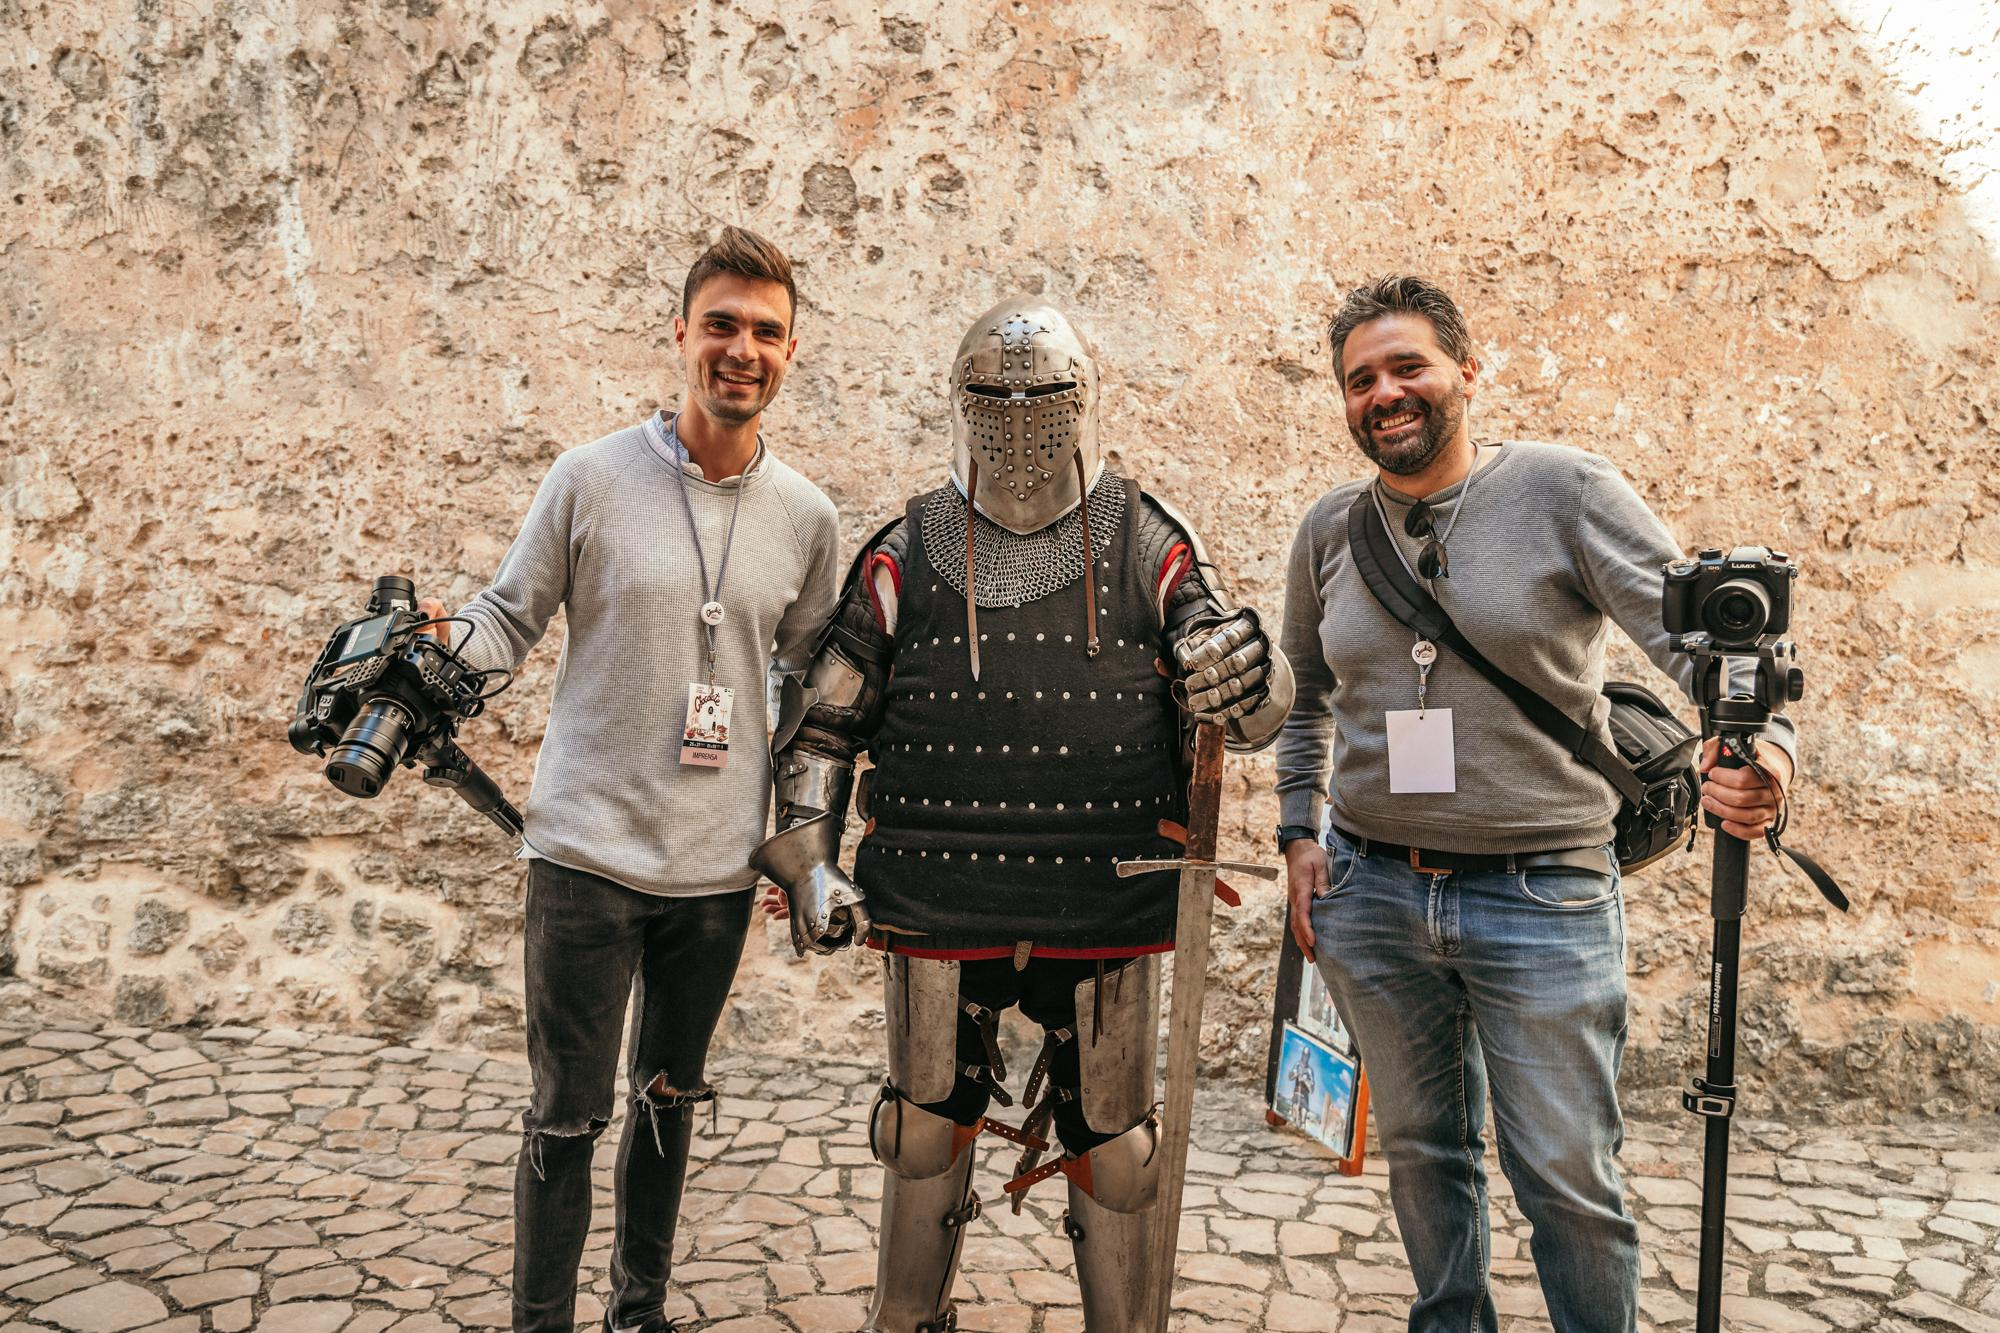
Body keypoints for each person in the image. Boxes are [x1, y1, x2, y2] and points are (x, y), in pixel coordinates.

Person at [751, 296, 1293, 1331]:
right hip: (935, 893)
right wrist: (810, 863)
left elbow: (1252, 706)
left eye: (1042, 397)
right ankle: (906, 1317)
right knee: (919, 1130)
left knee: (1117, 1148)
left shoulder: (1147, 538)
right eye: (993, 400)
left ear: (1083, 399)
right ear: (959, 402)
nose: (1017, 422)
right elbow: (823, 727)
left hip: (1105, 893)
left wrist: (1244, 670)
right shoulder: (907, 547)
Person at [1276, 276, 1794, 1333]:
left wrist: (1765, 753)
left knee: (1565, 1173)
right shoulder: (1329, 528)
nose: (1385, 393)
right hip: (1373, 890)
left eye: (1408, 366)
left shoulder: (1565, 491)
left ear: (1467, 371)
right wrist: (1295, 830)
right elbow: (1303, 692)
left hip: (1542, 894)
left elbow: (1710, 645)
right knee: (1423, 1153)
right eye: (1360, 380)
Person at [420, 227, 841, 1333]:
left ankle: (637, 1314)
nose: (741, 350)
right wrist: (435, 651)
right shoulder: (590, 477)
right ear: (680, 333)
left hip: (714, 871)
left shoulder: (806, 517)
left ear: (791, 351)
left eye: (765, 332)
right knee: (565, 1119)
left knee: (668, 1104)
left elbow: (810, 691)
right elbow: (506, 618)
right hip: (584, 855)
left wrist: (800, 846)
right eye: (721, 325)